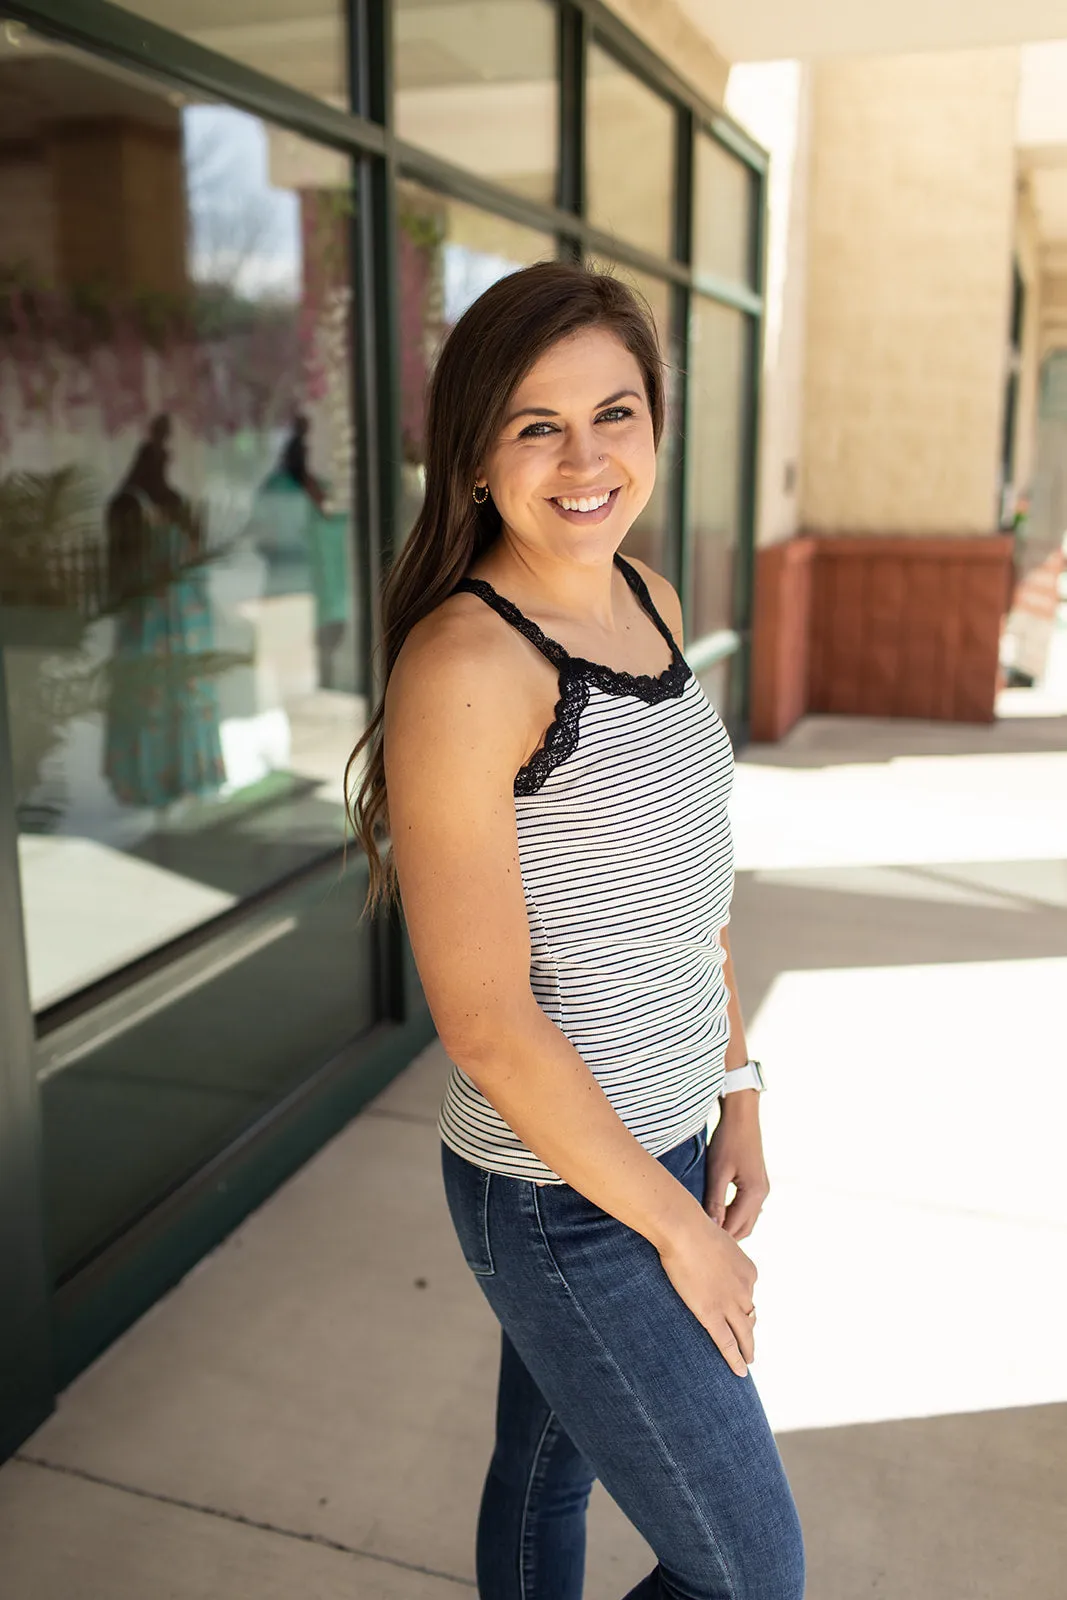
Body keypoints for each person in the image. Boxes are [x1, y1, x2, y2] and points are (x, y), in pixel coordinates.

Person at [347, 262, 804, 1600]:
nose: (585, 458)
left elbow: (692, 890)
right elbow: (485, 1024)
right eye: (536, 424)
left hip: (663, 1134)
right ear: (475, 453)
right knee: (748, 1571)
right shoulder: (468, 666)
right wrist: (674, 1228)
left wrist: (735, 1089)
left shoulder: (648, 600)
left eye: (614, 413)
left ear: (655, 425)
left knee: (543, 1470)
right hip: (559, 1198)